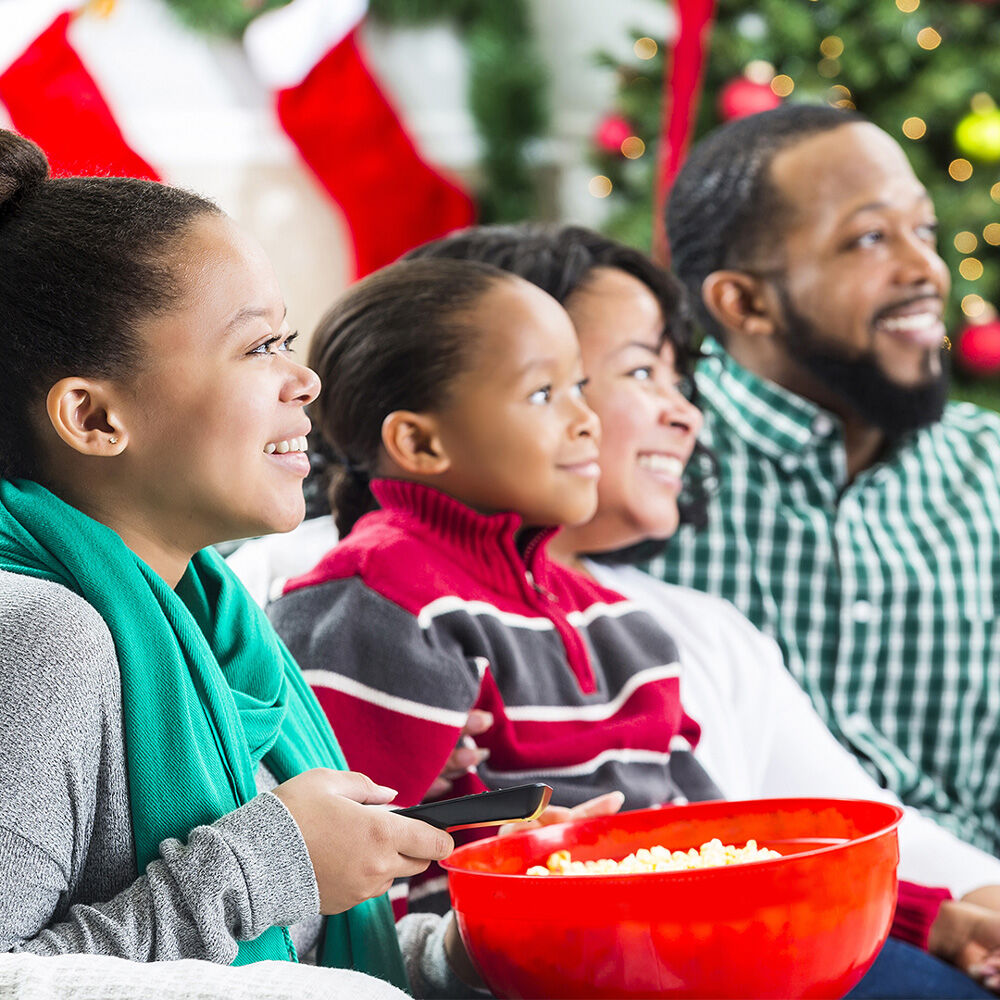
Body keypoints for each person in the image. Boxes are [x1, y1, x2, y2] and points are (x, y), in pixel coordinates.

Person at [262, 235, 1000, 996]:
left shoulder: (624, 624)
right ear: (418, 440)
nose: (586, 422)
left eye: (582, 386)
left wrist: (926, 918)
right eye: (547, 394)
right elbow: (345, 883)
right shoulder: (381, 597)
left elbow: (719, 842)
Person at [0, 128, 479, 1000]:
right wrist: (267, 862)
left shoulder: (215, 621)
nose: (307, 382)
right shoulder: (38, 635)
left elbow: (283, 963)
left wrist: (462, 953)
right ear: (93, 418)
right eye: (260, 348)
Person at [646, 103, 1000, 858]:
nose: (926, 270)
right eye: (870, 238)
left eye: (924, 230)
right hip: (758, 916)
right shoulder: (645, 465)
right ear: (743, 302)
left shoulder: (988, 469)